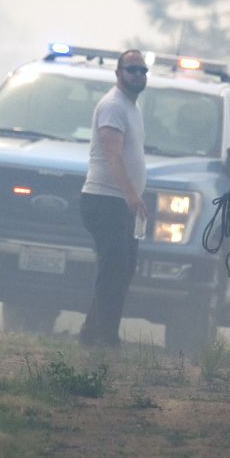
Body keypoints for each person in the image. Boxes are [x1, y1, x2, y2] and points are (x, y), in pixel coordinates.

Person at [79, 49, 149, 348]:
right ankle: (105, 337)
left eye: (142, 70)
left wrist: (131, 198)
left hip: (120, 202)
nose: (138, 75)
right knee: (114, 268)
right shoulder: (113, 106)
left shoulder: (132, 107)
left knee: (122, 268)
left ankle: (91, 331)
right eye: (132, 69)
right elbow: (112, 154)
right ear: (118, 73)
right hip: (105, 199)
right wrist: (131, 194)